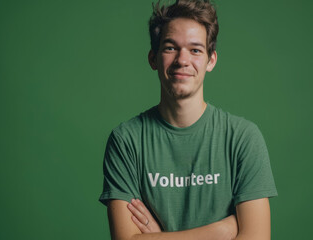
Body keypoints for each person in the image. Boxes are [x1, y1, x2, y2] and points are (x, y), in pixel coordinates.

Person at [99, 0, 278, 239]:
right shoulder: (126, 141)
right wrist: (222, 231)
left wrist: (159, 236)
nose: (182, 60)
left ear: (211, 60)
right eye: (171, 48)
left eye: (195, 50)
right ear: (153, 59)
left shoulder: (243, 138)